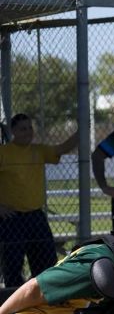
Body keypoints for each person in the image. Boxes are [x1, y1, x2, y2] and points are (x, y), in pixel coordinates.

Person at [0, 113, 77, 288]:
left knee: (46, 262)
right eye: (22, 129)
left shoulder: (39, 150)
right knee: (12, 266)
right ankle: (14, 304)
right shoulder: (4, 153)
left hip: (35, 216)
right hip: (11, 218)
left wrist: (82, 131)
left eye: (30, 128)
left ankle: (41, 299)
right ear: (13, 131)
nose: (28, 132)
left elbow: (62, 148)